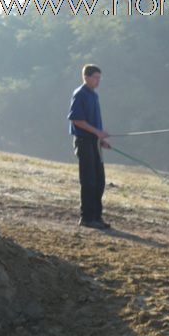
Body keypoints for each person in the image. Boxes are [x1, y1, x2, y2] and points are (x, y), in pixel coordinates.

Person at [67, 64, 112, 229]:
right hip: (84, 142)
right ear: (86, 77)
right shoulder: (80, 94)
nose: (98, 81)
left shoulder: (94, 95)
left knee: (100, 181)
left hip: (94, 143)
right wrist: (97, 133)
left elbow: (94, 122)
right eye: (95, 77)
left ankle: (96, 217)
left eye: (100, 78)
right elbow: (76, 119)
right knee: (89, 181)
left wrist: (100, 139)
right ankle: (86, 218)